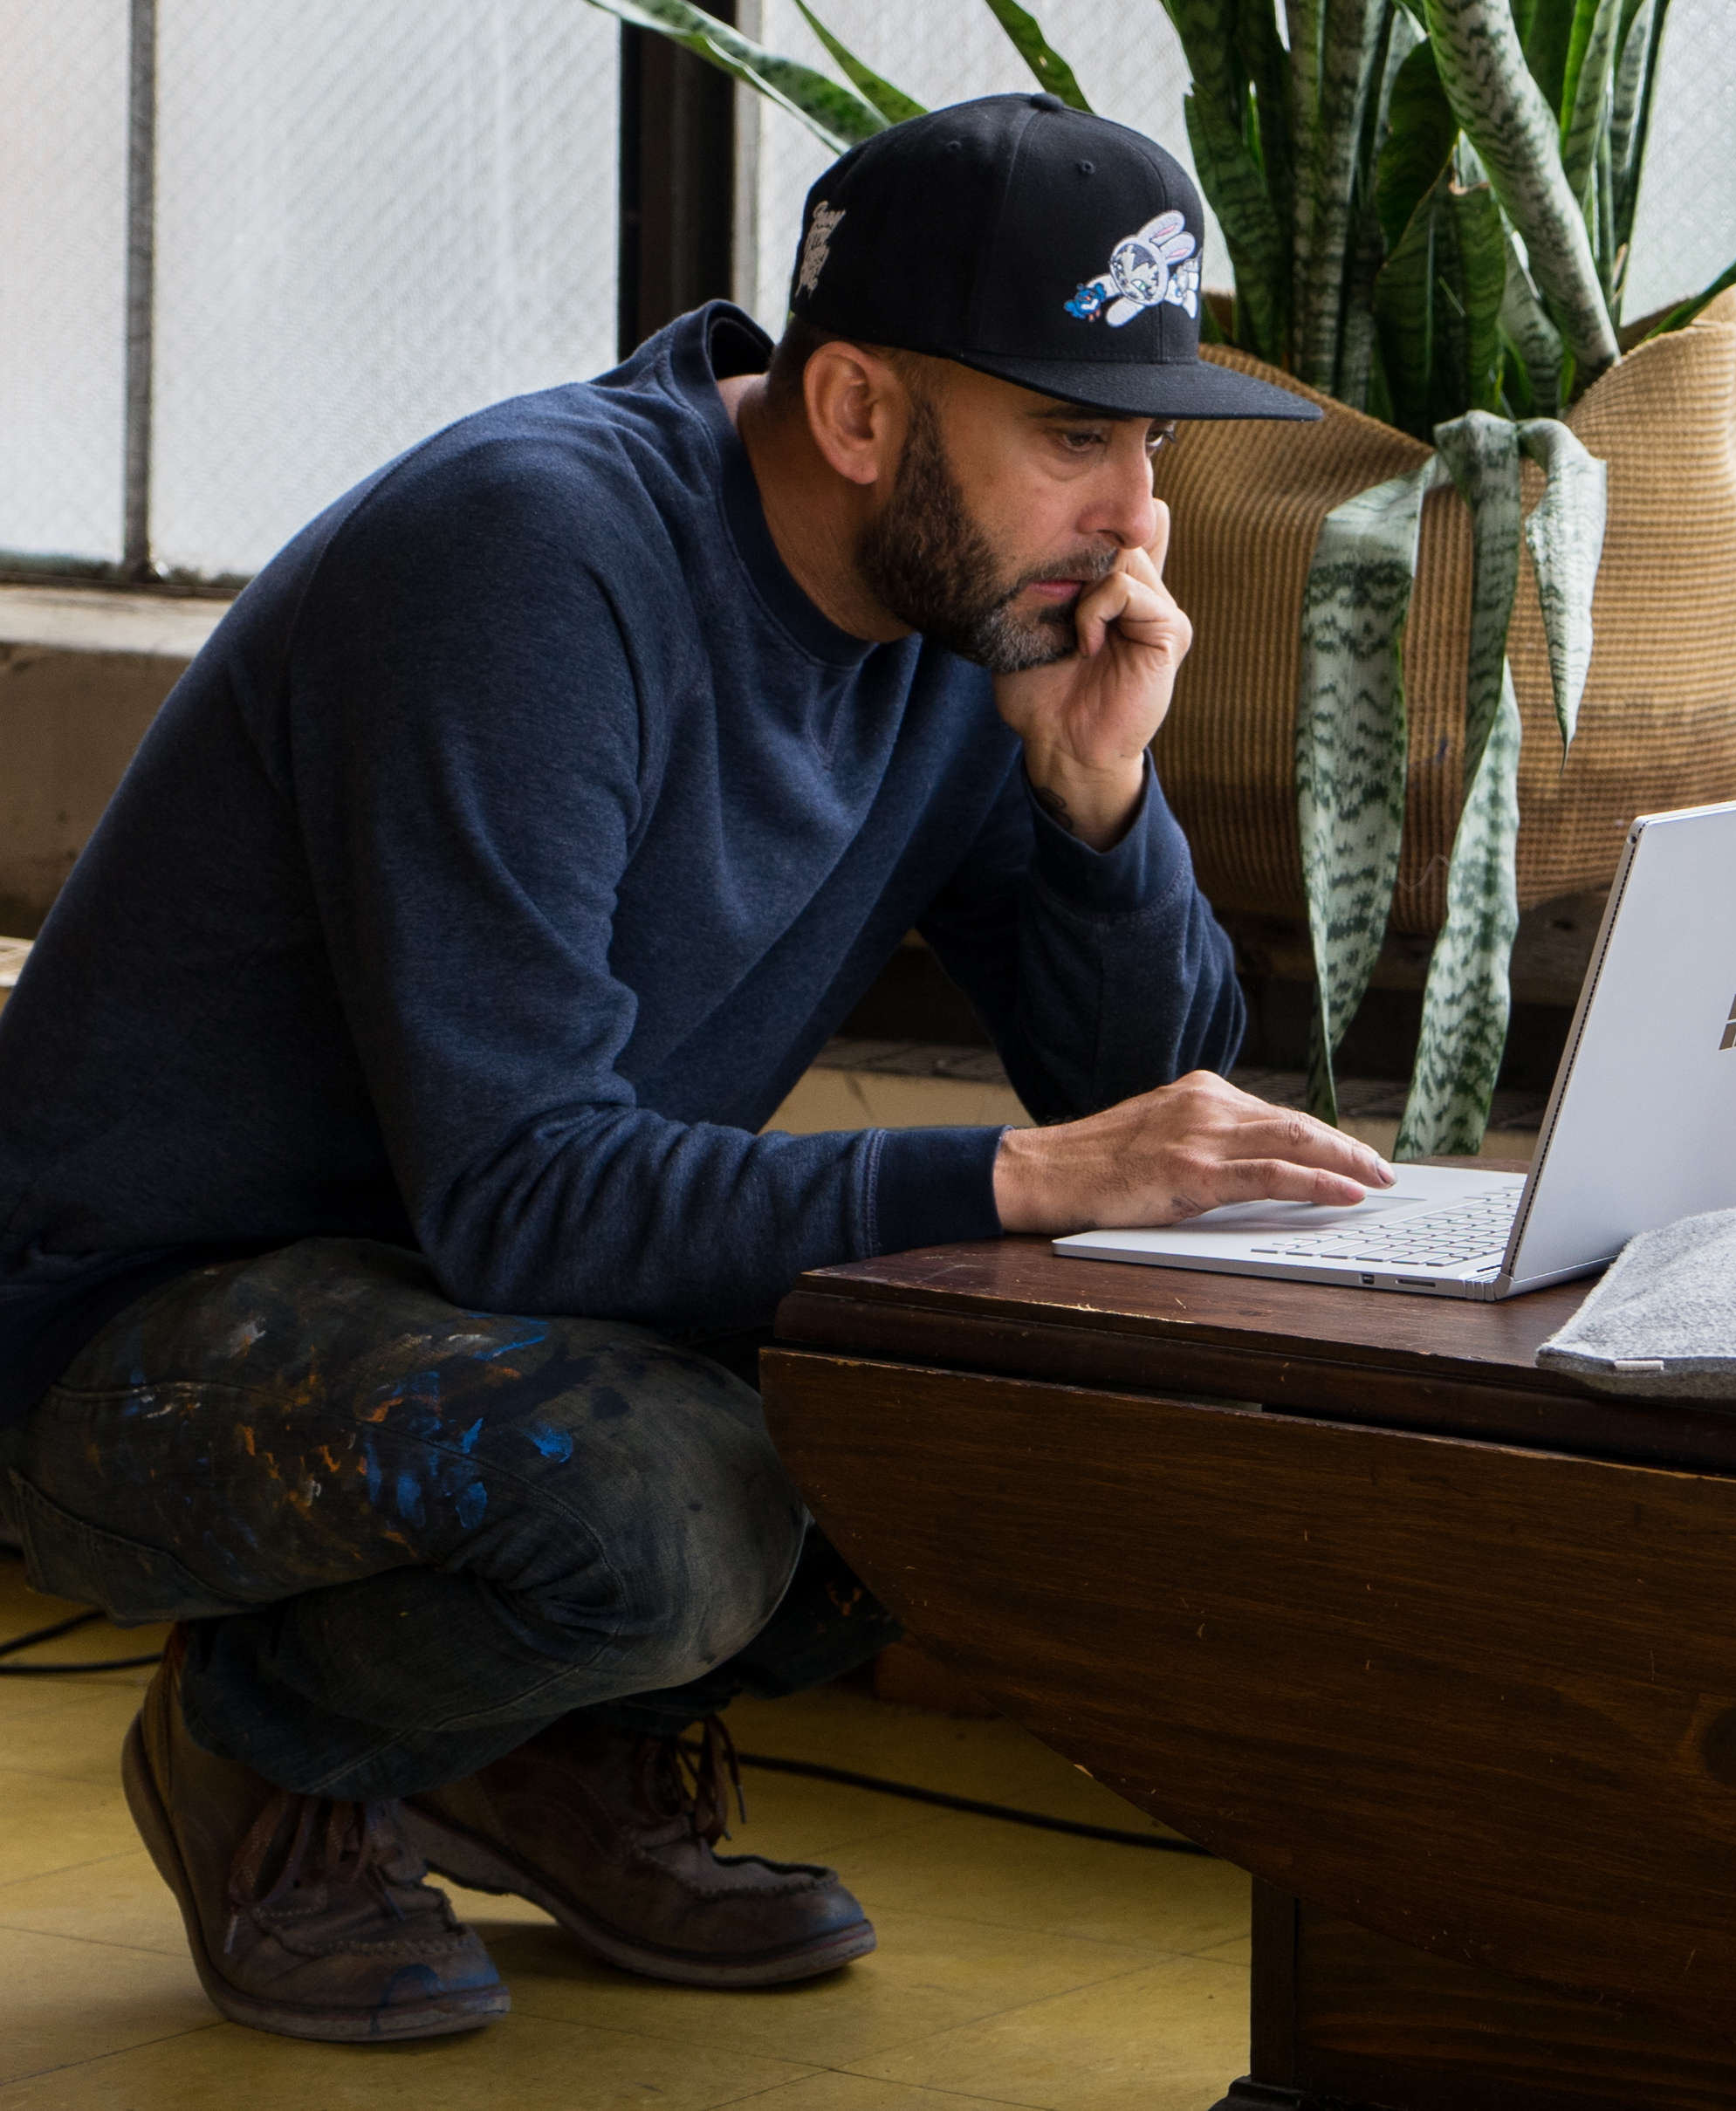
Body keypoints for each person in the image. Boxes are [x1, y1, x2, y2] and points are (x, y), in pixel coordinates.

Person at [0, 96, 1395, 2042]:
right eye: (1076, 434)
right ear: (855, 414)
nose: (1138, 518)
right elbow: (522, 1189)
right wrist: (1015, 1176)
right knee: (671, 1507)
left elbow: (1157, 1127)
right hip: (137, 1338)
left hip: (482, 1300)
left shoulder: (956, 617)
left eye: (1150, 440)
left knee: (1027, 1412)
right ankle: (267, 1749)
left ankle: (526, 1748)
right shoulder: (530, 559)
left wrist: (1094, 802)